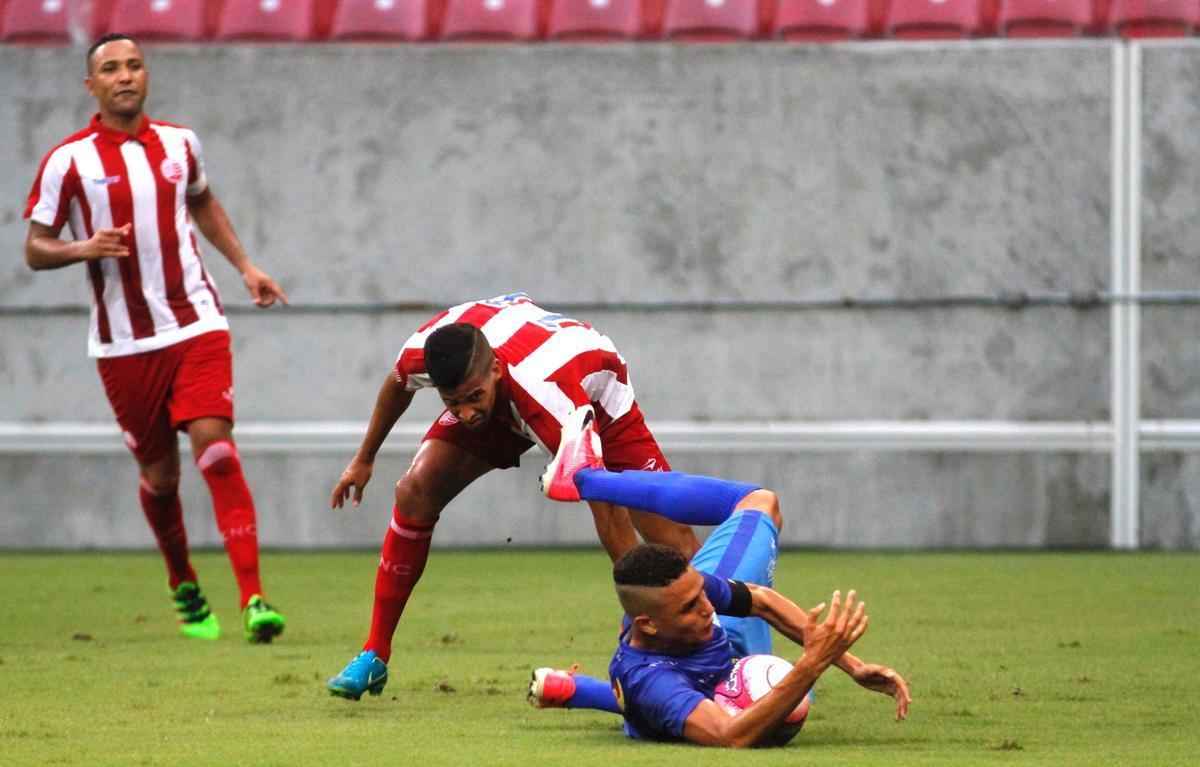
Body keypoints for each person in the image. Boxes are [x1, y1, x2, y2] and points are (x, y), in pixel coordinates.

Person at [22, 34, 288, 643]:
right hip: (124, 344)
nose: (125, 76)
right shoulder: (69, 161)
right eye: (111, 69)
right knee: (162, 478)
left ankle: (254, 599)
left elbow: (203, 203)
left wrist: (246, 267)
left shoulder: (180, 144)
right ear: (91, 85)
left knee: (216, 449)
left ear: (146, 75)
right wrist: (83, 248)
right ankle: (182, 580)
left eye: (134, 66)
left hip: (195, 322)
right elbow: (34, 248)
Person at [326, 292, 701, 699]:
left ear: (495, 370)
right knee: (414, 492)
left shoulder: (550, 404)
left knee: (670, 538)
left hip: (595, 399)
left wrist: (638, 608)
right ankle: (374, 652)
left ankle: (721, 645)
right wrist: (364, 459)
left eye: (472, 398)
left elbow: (607, 509)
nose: (465, 414)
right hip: (511, 391)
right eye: (453, 402)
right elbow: (397, 385)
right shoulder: (425, 354)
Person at [528, 413, 912, 746]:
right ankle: (586, 481)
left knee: (760, 502)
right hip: (680, 681)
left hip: (709, 659)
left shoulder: (688, 595)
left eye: (701, 593)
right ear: (648, 624)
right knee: (665, 707)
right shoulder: (652, 681)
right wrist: (812, 664)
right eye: (690, 607)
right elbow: (729, 736)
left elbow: (761, 602)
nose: (707, 607)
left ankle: (585, 480)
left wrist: (853, 666)